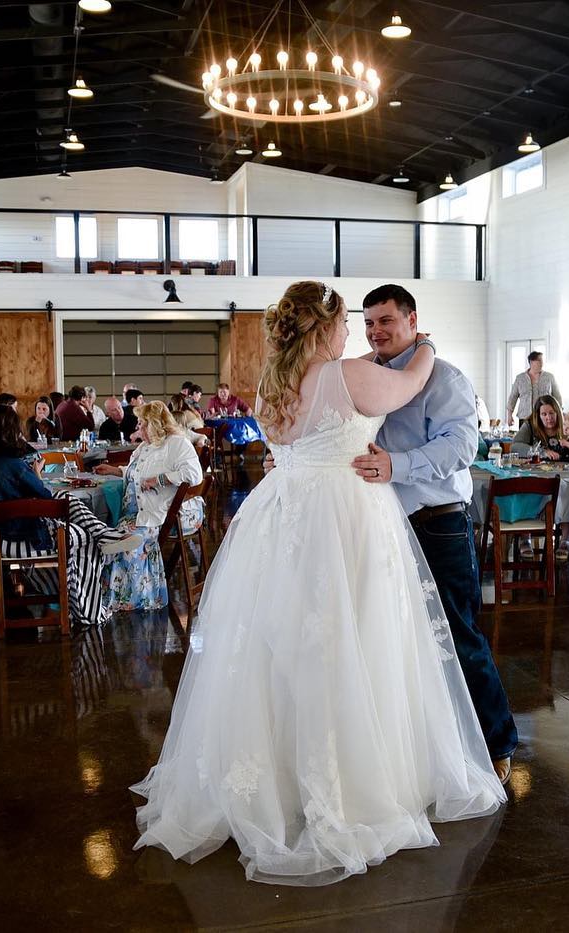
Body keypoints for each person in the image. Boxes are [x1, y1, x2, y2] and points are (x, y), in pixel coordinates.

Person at [133, 281, 505, 886]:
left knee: (284, 649)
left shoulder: (271, 385)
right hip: (343, 518)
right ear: (325, 328)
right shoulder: (347, 374)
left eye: (379, 322)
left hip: (284, 518)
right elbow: (410, 384)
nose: (357, 334)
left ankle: (278, 778)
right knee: (358, 639)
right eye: (350, 323)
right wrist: (428, 348)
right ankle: (354, 778)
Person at [352, 283, 516, 777]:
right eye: (369, 323)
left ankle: (496, 741)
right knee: (396, 639)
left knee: (457, 636)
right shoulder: (363, 375)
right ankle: (429, 743)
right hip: (382, 527)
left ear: (412, 319)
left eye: (385, 320)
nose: (376, 331)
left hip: (437, 523)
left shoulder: (443, 378)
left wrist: (396, 467)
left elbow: (460, 448)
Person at [0, 405, 129, 625]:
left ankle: (104, 536)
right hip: (18, 537)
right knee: (84, 538)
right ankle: (89, 612)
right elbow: (45, 499)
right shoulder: (14, 465)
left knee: (69, 502)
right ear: (11, 432)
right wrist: (35, 475)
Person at [100, 401, 204, 612]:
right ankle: (105, 600)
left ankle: (134, 600)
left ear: (155, 424)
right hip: (133, 513)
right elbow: (136, 473)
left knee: (128, 541)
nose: (138, 429)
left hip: (157, 514)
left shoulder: (177, 443)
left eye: (142, 424)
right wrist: (115, 470)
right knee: (105, 536)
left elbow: (195, 475)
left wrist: (160, 479)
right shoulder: (144, 447)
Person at [513, 394, 569, 462]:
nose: (548, 418)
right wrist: (542, 452)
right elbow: (514, 447)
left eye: (551, 413)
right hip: (536, 470)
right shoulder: (530, 425)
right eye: (544, 414)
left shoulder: (568, 423)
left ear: (558, 413)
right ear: (538, 416)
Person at [505, 351, 561, 427]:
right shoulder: (520, 378)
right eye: (539, 361)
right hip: (525, 417)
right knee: (524, 438)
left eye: (542, 361)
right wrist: (509, 416)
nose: (542, 363)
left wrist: (559, 415)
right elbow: (512, 398)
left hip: (544, 418)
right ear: (531, 362)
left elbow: (557, 397)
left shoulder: (550, 377)